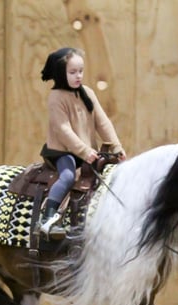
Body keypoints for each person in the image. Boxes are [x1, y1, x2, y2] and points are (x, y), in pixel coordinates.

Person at [38, 47, 126, 239]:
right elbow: (63, 130)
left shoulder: (87, 92)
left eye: (80, 71)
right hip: (63, 152)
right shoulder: (56, 97)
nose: (78, 76)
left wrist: (116, 146)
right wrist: (84, 151)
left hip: (87, 151)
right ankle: (47, 217)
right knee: (68, 177)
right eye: (72, 72)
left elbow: (102, 122)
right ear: (61, 73)